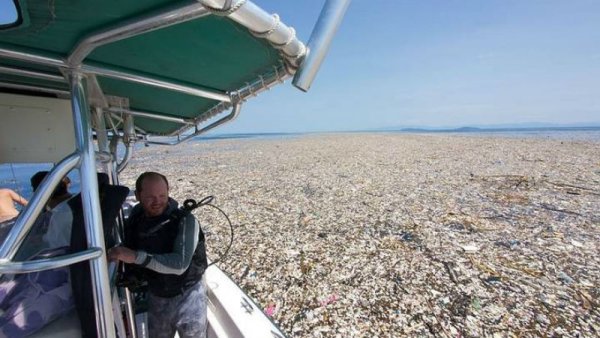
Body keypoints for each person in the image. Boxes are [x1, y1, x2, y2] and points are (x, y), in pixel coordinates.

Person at [108, 172, 208, 338]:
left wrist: (135, 256)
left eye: (162, 195)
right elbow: (130, 240)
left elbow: (180, 265)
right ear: (138, 195)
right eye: (150, 197)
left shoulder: (186, 221)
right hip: (157, 294)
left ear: (168, 191)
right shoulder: (136, 217)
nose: (157, 202)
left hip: (189, 295)